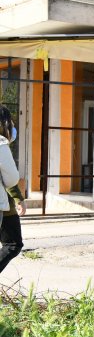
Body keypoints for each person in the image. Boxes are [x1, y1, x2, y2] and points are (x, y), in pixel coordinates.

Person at [0, 105, 22, 273]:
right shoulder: (1, 145)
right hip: (4, 204)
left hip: (7, 204)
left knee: (13, 243)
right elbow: (11, 178)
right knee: (13, 244)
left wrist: (18, 198)